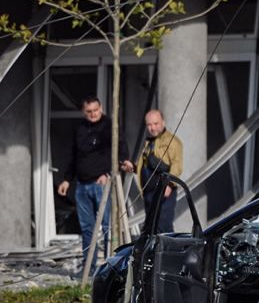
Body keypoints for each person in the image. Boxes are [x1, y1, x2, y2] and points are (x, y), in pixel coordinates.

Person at [57, 96, 127, 267]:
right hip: (82, 185)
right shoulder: (80, 128)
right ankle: (88, 266)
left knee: (108, 226)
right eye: (89, 111)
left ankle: (112, 265)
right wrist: (67, 179)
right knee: (87, 228)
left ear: (101, 108)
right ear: (83, 112)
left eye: (96, 110)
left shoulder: (109, 126)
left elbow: (121, 150)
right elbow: (74, 156)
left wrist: (109, 173)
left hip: (101, 183)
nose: (93, 114)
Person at [121, 109, 184, 234]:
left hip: (163, 191)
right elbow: (146, 166)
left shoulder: (172, 141)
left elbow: (177, 165)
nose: (152, 128)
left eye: (156, 124)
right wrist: (133, 167)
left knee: (163, 227)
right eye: (149, 125)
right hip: (149, 193)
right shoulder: (150, 142)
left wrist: (169, 185)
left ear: (163, 122)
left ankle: (168, 247)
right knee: (151, 228)